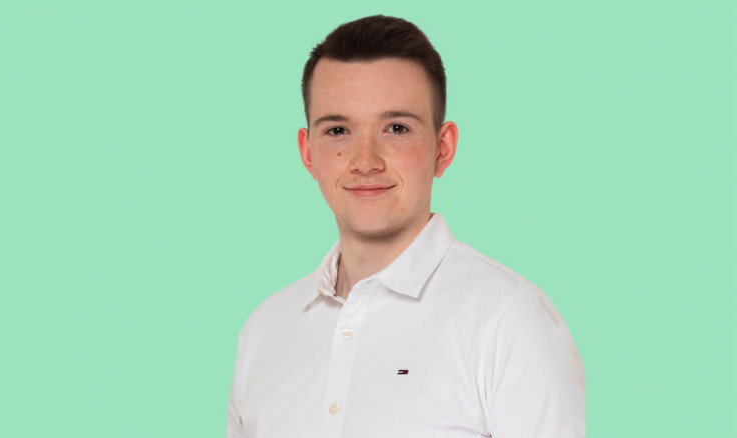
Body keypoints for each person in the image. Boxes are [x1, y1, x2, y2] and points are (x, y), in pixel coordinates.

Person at [225, 15, 585, 437]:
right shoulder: (265, 331)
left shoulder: (508, 320)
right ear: (307, 152)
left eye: (396, 129)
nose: (365, 161)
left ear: (443, 148)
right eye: (338, 130)